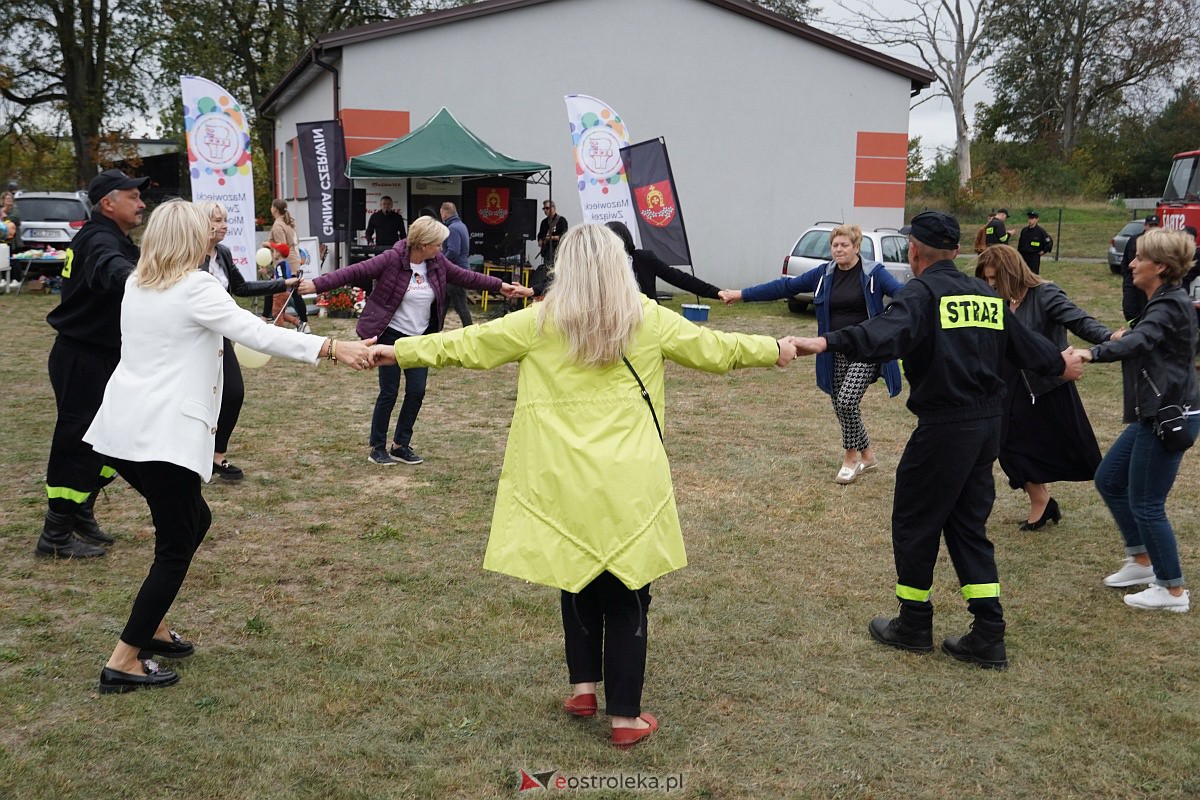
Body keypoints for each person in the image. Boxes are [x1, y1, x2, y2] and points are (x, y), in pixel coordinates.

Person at [368, 224, 798, 747]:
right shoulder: (649, 319)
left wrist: (402, 351)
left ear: (564, 269)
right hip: (628, 483)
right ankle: (625, 719)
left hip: (559, 479)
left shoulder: (538, 322)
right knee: (627, 591)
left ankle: (584, 689)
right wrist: (774, 348)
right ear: (620, 266)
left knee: (575, 575)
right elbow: (717, 349)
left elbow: (468, 344)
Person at [82, 200, 375, 694]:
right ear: (190, 240)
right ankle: (124, 660)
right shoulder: (196, 286)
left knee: (194, 522)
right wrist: (330, 347)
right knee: (178, 542)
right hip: (160, 435)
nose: (213, 237)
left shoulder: (138, 283)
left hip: (121, 432)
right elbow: (255, 332)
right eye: (205, 231)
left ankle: (150, 626)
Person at [790, 211, 1083, 670]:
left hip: (946, 427)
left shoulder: (922, 293)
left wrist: (825, 343)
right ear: (954, 251)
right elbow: (1027, 346)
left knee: (914, 519)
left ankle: (913, 622)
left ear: (914, 251)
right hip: (988, 427)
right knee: (968, 525)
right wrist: (1058, 362)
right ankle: (989, 632)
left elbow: (882, 334)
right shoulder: (985, 295)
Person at [299, 216, 532, 466]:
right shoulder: (392, 259)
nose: (441, 249)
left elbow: (467, 277)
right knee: (389, 391)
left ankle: (401, 444)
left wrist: (501, 286)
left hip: (420, 339)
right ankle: (377, 447)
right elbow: (354, 272)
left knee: (417, 391)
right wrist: (316, 284)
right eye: (438, 244)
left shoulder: (437, 263)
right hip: (390, 335)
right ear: (423, 244)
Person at [719, 223, 904, 483]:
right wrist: (740, 294)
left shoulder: (874, 273)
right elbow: (784, 288)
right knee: (841, 406)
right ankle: (869, 456)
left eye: (844, 245)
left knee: (847, 401)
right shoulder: (824, 274)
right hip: (834, 349)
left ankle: (850, 458)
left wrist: (889, 325)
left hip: (866, 349)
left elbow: (904, 296)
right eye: (835, 245)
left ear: (856, 247)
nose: (838, 250)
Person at [1075, 228, 1198, 613]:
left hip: (1170, 416)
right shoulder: (1163, 301)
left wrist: (1092, 353)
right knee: (1109, 479)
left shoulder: (1168, 305)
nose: (1131, 262)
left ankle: (1171, 589)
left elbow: (1139, 341)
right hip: (1156, 414)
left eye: (1140, 258)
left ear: (1160, 266)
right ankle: (1141, 562)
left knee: (1147, 503)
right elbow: (1143, 338)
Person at [35, 169, 149, 559]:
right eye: (133, 197)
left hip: (102, 356)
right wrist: (138, 282)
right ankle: (55, 535)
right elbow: (111, 270)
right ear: (108, 203)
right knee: (77, 443)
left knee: (113, 437)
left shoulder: (113, 237)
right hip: (83, 357)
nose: (141, 203)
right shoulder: (100, 240)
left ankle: (80, 511)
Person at [975, 245, 1112, 530]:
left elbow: (1079, 320)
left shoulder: (1045, 294)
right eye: (986, 279)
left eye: (994, 278)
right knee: (1006, 447)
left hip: (1046, 386)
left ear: (1011, 272)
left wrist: (1109, 337)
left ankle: (1043, 503)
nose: (990, 285)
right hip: (1008, 383)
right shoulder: (995, 301)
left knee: (1052, 447)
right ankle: (1041, 499)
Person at [198, 200, 300, 482]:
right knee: (196, 398)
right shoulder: (190, 255)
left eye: (225, 220)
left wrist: (283, 284)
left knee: (233, 393)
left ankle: (217, 456)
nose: (223, 225)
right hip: (193, 339)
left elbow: (241, 288)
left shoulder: (223, 253)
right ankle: (189, 458)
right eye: (217, 220)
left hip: (220, 336)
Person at [603, 220, 721, 302]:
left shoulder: (644, 259)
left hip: (648, 318)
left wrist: (717, 293)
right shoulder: (601, 266)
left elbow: (679, 278)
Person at [268, 199, 309, 332]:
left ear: (274, 209)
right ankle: (302, 322)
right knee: (294, 294)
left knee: (286, 293)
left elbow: (282, 247)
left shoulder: (278, 225)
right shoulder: (287, 224)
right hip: (293, 261)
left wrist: (268, 244)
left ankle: (300, 322)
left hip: (287, 263)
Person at [440, 201, 474, 326]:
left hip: (455, 272)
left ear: (444, 213)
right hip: (459, 270)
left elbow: (454, 251)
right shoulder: (461, 225)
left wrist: (440, 261)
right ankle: (435, 330)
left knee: (461, 306)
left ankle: (470, 332)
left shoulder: (452, 228)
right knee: (442, 305)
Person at [1122, 215, 1160, 324]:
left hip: (1148, 281)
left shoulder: (1158, 243)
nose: (1152, 228)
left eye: (1155, 225)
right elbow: (1125, 263)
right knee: (1129, 307)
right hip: (1132, 280)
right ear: (1145, 226)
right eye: (1150, 225)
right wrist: (1128, 279)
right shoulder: (1134, 240)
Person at [537, 200, 568, 268]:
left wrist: (552, 238)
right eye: (544, 209)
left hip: (557, 251)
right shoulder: (544, 222)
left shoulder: (561, 220)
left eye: (547, 208)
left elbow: (564, 236)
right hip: (547, 252)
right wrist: (540, 240)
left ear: (553, 208)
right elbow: (540, 234)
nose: (545, 210)